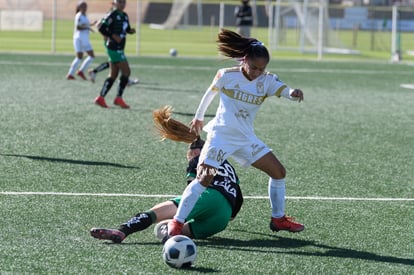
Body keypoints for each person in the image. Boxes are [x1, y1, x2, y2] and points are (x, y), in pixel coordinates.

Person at [168, 29, 305, 237]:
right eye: (254, 67)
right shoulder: (227, 75)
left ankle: (278, 219)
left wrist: (294, 93)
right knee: (204, 178)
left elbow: (285, 90)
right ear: (245, 60)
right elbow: (209, 93)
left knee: (279, 172)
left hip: (245, 139)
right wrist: (198, 117)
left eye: (262, 69)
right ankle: (177, 223)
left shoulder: (267, 80)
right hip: (220, 136)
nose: (257, 72)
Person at [90, 106, 243, 243]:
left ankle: (122, 231)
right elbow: (239, 197)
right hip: (221, 219)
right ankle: (170, 238)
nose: (188, 157)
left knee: (154, 215)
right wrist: (228, 215)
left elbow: (192, 191)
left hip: (209, 197)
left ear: (196, 151)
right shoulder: (225, 164)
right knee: (163, 228)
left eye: (188, 154)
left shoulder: (198, 159)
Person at [94, 0, 135, 109]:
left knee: (113, 75)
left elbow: (125, 28)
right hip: (114, 47)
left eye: (123, 2)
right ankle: (118, 98)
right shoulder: (112, 14)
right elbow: (101, 27)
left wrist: (130, 31)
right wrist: (112, 35)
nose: (122, 4)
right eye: (119, 2)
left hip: (119, 48)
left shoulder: (125, 15)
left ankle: (101, 98)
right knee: (126, 71)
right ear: (115, 3)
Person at [66, 1, 96, 80]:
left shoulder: (83, 16)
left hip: (78, 37)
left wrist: (90, 26)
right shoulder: (79, 15)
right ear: (79, 7)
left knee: (79, 57)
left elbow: (84, 25)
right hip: (82, 38)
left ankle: (70, 74)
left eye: (85, 6)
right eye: (83, 6)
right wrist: (88, 27)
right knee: (91, 55)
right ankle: (81, 71)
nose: (85, 8)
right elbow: (78, 27)